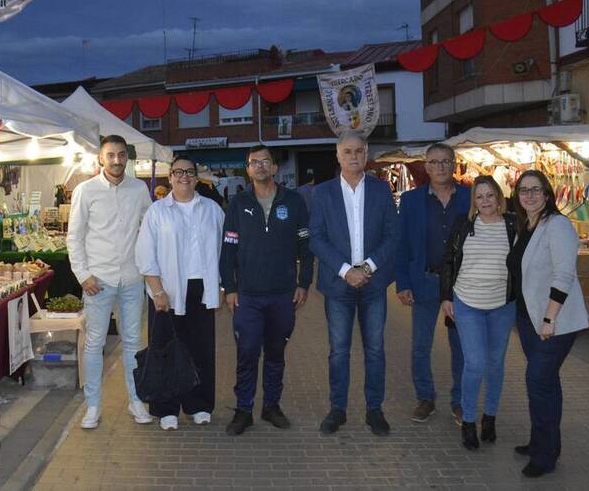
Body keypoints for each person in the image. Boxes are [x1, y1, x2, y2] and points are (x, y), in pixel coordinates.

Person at [309, 132, 399, 436]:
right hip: (338, 286)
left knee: (375, 350)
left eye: (359, 151)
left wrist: (369, 267)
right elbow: (316, 239)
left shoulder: (382, 190)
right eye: (347, 151)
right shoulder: (322, 193)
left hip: (373, 284)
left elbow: (392, 235)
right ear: (338, 155)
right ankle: (338, 409)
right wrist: (346, 270)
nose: (354, 156)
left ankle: (375, 410)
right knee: (339, 351)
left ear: (367, 153)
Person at [220, 145, 313, 436]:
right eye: (253, 162)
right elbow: (228, 249)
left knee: (275, 353)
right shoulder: (237, 204)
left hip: (283, 295)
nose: (260, 166)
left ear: (274, 167)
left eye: (265, 161)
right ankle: (244, 410)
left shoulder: (294, 201)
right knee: (246, 354)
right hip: (247, 295)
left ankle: (271, 406)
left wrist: (303, 283)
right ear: (248, 170)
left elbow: (305, 246)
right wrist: (229, 287)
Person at [66, 135, 153, 430]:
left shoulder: (139, 188)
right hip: (97, 280)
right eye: (111, 155)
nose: (116, 160)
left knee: (133, 342)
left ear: (126, 157)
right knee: (94, 344)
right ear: (101, 158)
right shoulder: (85, 191)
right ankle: (93, 405)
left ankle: (136, 399)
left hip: (131, 277)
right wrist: (83, 274)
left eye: (121, 155)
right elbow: (74, 237)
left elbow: (150, 229)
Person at [509, 170, 589, 478]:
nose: (529, 195)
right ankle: (543, 443)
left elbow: (564, 274)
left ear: (547, 195)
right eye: (523, 190)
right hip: (529, 320)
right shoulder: (527, 226)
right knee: (545, 383)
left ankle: (544, 457)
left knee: (538, 382)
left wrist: (548, 318)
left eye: (535, 190)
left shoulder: (557, 226)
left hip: (552, 323)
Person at [136, 156, 225, 430]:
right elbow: (144, 254)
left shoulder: (212, 209)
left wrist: (221, 286)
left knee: (200, 349)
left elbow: (226, 251)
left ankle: (199, 404)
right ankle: (166, 408)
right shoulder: (157, 211)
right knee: (165, 348)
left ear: (196, 177)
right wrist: (157, 290)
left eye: (189, 172)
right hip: (168, 289)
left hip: (202, 288)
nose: (184, 176)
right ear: (170, 177)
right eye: (178, 172)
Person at [439, 176, 517, 450]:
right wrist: (446, 297)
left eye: (490, 195)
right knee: (475, 363)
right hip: (467, 304)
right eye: (479, 196)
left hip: (501, 306)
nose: (485, 201)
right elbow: (448, 260)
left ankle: (490, 417)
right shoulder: (464, 225)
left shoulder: (512, 225)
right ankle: (469, 421)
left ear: (499, 197)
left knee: (495, 364)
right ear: (474, 201)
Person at [394, 143, 467, 425]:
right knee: (421, 345)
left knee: (460, 345)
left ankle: (460, 401)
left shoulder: (469, 197)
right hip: (423, 281)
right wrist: (402, 282)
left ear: (454, 164)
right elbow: (402, 244)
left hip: (460, 286)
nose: (440, 167)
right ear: (426, 167)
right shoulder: (411, 201)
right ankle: (425, 398)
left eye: (445, 162)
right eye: (434, 162)